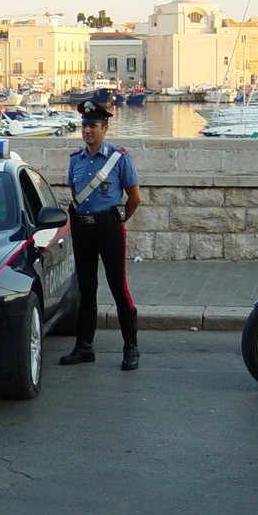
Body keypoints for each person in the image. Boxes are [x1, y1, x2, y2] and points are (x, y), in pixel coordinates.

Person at [60, 100, 143, 371]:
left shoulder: (119, 158)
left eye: (93, 126)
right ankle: (84, 347)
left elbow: (134, 198)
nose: (88, 131)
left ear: (105, 128)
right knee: (86, 289)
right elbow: (75, 194)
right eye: (84, 126)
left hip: (109, 228)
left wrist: (117, 221)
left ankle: (131, 348)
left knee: (119, 288)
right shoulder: (75, 159)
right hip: (83, 229)